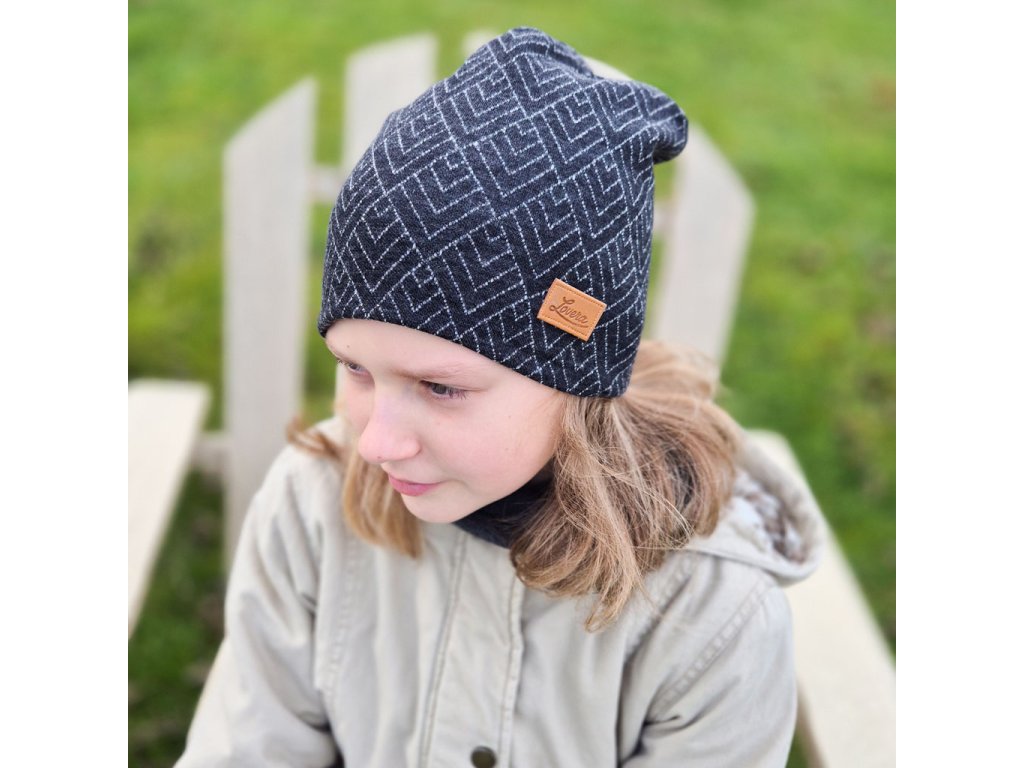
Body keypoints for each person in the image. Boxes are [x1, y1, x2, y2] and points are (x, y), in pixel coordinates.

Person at [177, 26, 823, 768]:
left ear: (579, 381)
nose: (376, 441)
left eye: (441, 386)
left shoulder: (709, 614)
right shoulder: (310, 507)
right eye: (355, 369)